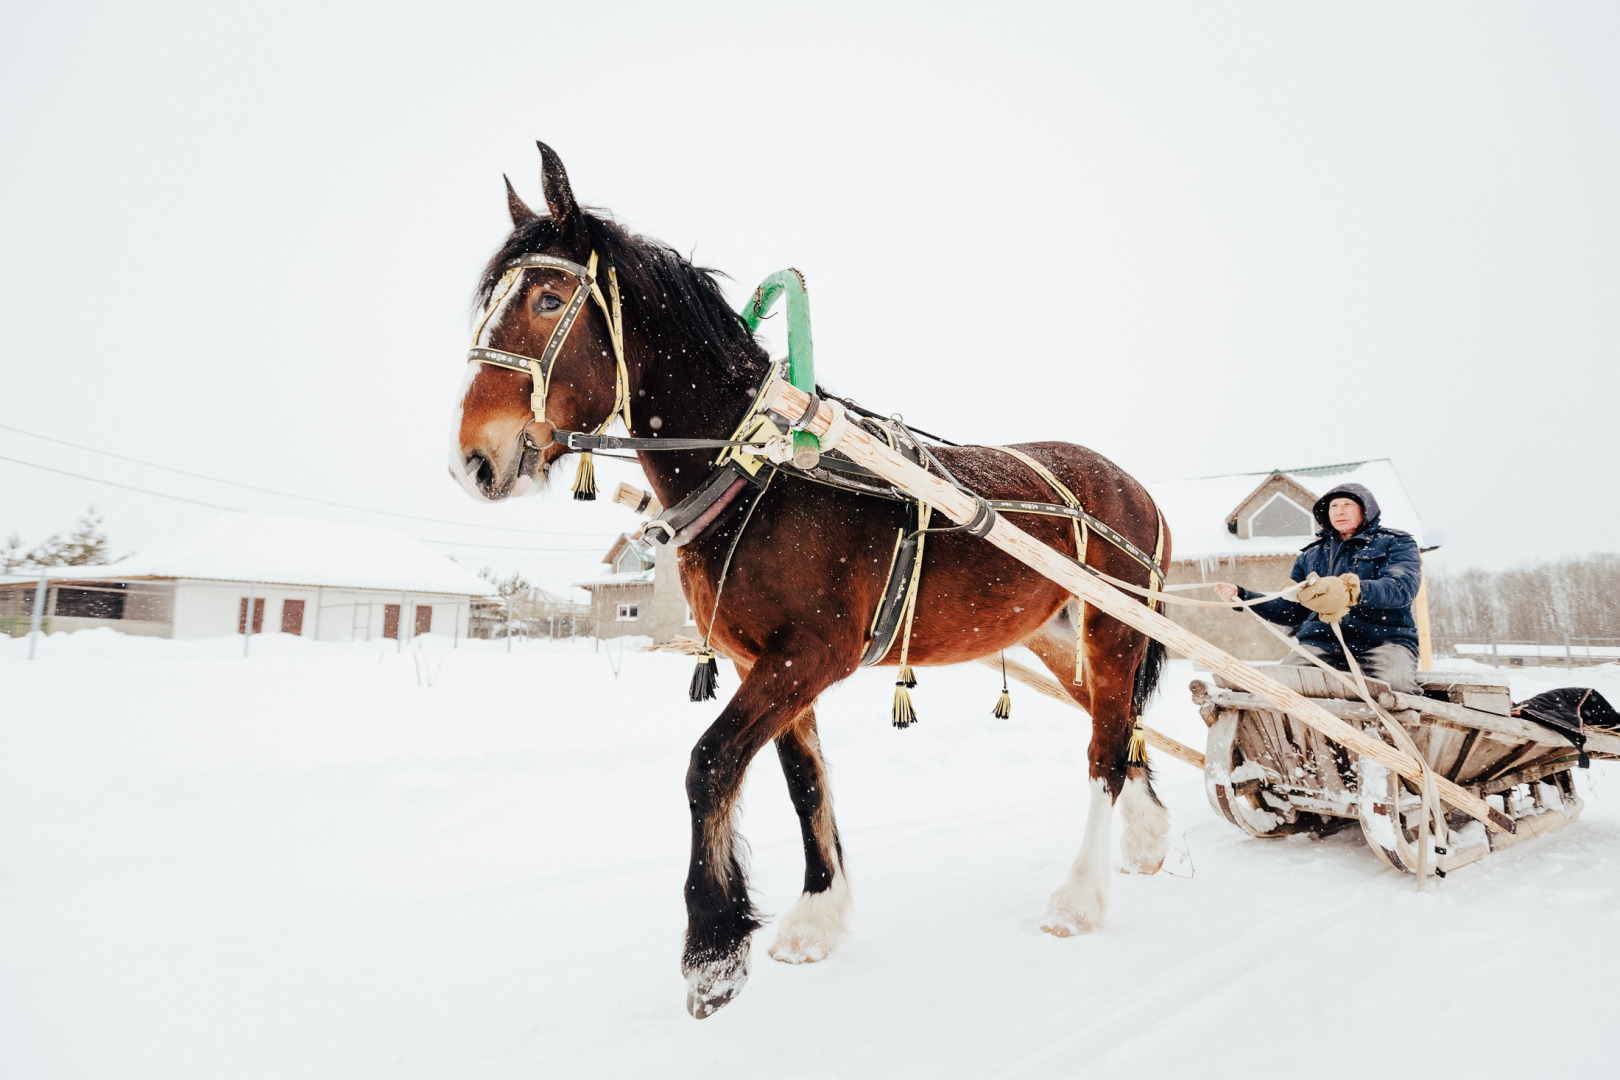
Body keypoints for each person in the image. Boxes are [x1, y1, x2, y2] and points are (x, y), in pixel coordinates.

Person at [1212, 483, 1422, 693]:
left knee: (1396, 689)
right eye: (1334, 506)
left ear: (1365, 510)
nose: (1339, 511)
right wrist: (1244, 597)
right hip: (1322, 642)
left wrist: (1351, 591)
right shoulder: (1310, 556)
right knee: (1279, 691)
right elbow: (1292, 611)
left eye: (1348, 504)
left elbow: (1401, 587)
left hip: (1384, 641)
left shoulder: (1396, 543)